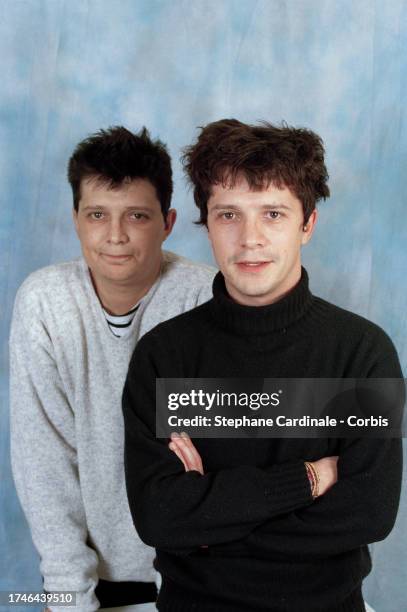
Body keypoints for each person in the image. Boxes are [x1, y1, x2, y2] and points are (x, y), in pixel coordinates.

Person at [122, 119, 403, 611]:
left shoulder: (363, 352)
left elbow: (368, 513)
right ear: (206, 225)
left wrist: (207, 525)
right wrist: (310, 480)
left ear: (307, 225)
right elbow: (158, 519)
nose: (249, 238)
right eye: (228, 214)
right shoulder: (162, 356)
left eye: (273, 213)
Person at [9, 126, 216, 612]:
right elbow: (44, 465)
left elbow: (217, 454)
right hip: (94, 580)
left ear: (167, 223)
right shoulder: (44, 302)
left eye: (137, 216)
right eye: (97, 214)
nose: (115, 235)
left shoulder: (206, 296)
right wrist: (69, 599)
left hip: (202, 575)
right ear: (76, 220)